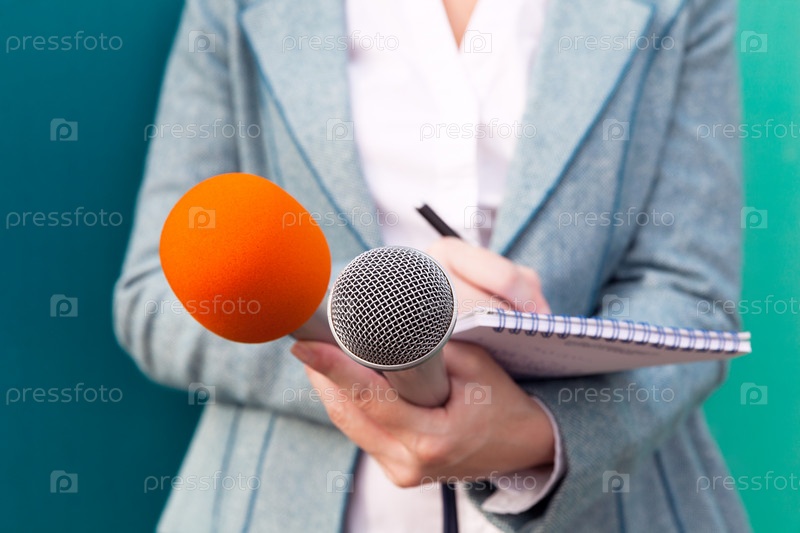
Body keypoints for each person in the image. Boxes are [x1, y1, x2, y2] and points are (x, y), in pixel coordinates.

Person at [113, 0, 751, 531]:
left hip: (612, 505)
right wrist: (390, 308)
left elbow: (691, 295)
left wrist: (542, 435)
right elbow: (156, 294)